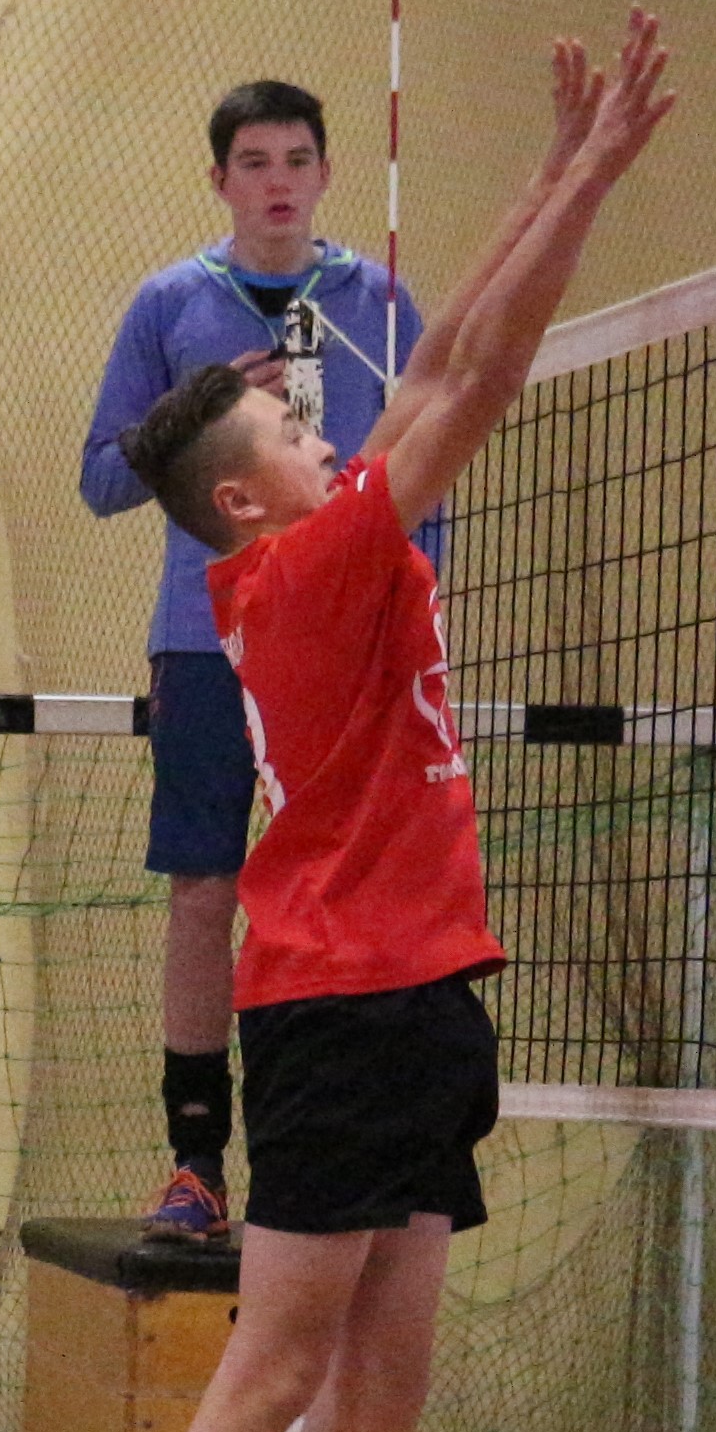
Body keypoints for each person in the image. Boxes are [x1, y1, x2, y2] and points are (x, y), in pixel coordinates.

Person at [94, 15, 676, 1432]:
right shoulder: (303, 566)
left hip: (426, 989)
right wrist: (591, 184)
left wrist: (557, 172)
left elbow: (427, 358)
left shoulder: (328, 533)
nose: (316, 422)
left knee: (384, 1385)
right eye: (284, 424)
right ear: (243, 499)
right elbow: (474, 376)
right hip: (332, 1003)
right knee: (272, 1370)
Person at [81, 78, 437, 1243]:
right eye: (253, 161)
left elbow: (423, 469)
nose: (276, 181)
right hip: (206, 641)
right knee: (204, 890)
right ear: (219, 179)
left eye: (294, 159)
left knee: (331, 890)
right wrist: (204, 411)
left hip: (337, 647)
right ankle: (194, 1162)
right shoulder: (170, 303)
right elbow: (99, 479)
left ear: (325, 173)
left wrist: (405, 611)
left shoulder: (376, 299)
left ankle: (317, 1151)